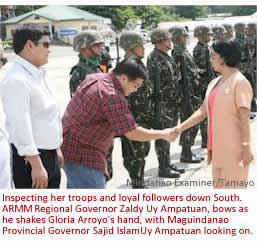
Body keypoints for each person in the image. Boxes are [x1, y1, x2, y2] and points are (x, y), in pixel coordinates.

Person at [61, 57, 177, 189]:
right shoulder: (111, 94)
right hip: (83, 154)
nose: (136, 90)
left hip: (72, 148)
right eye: (136, 85)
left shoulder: (96, 77)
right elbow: (132, 133)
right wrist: (163, 134)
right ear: (123, 78)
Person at [174, 38, 254, 189]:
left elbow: (244, 119)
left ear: (223, 58)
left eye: (213, 56)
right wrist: (179, 128)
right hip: (217, 149)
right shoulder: (215, 82)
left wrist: (245, 148)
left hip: (234, 150)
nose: (210, 60)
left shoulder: (239, 82)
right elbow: (202, 111)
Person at [0, 26, 63, 189]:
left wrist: (56, 148)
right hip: (31, 160)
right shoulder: (17, 79)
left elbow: (46, 118)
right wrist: (36, 164)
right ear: (29, 45)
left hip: (48, 155)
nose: (49, 50)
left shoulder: (37, 74)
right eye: (46, 45)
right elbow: (20, 125)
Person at [147, 28, 185, 178]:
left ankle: (167, 163)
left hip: (171, 103)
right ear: (160, 42)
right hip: (162, 104)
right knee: (163, 136)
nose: (171, 42)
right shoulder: (154, 58)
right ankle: (163, 167)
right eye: (168, 39)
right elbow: (155, 84)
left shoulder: (165, 56)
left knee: (168, 134)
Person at [119, 31, 152, 188]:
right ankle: (137, 185)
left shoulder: (138, 64)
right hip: (132, 117)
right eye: (140, 45)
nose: (143, 48)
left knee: (143, 151)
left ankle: (139, 182)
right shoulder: (126, 67)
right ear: (130, 47)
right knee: (135, 154)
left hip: (142, 115)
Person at [169, 25, 203, 163]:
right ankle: (186, 153)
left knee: (193, 123)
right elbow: (179, 78)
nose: (186, 38)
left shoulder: (183, 51)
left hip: (192, 92)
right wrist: (185, 96)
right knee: (189, 123)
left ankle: (187, 151)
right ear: (176, 37)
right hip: (186, 95)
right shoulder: (178, 53)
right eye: (183, 36)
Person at [193, 25, 216, 148]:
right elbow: (201, 70)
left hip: (208, 84)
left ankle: (208, 138)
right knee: (205, 113)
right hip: (203, 86)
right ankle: (205, 140)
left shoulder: (205, 48)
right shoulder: (200, 50)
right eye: (208, 34)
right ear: (201, 35)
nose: (210, 36)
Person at [69, 30, 104, 97]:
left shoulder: (96, 67)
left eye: (100, 45)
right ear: (83, 48)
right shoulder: (79, 73)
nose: (100, 48)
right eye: (96, 45)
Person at [234, 22, 256, 118]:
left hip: (248, 68)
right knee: (243, 90)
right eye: (244, 28)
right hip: (241, 69)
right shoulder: (235, 41)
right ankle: (247, 109)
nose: (246, 29)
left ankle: (252, 108)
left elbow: (251, 54)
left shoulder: (246, 39)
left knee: (250, 87)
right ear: (238, 29)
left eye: (246, 28)